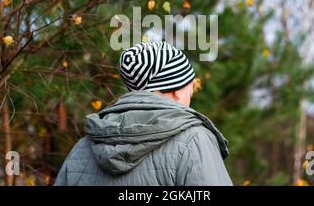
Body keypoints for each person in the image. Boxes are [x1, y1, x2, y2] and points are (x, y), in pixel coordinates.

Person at [54, 41, 232, 185]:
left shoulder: (84, 147)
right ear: (177, 91)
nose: (192, 93)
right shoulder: (194, 139)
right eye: (190, 87)